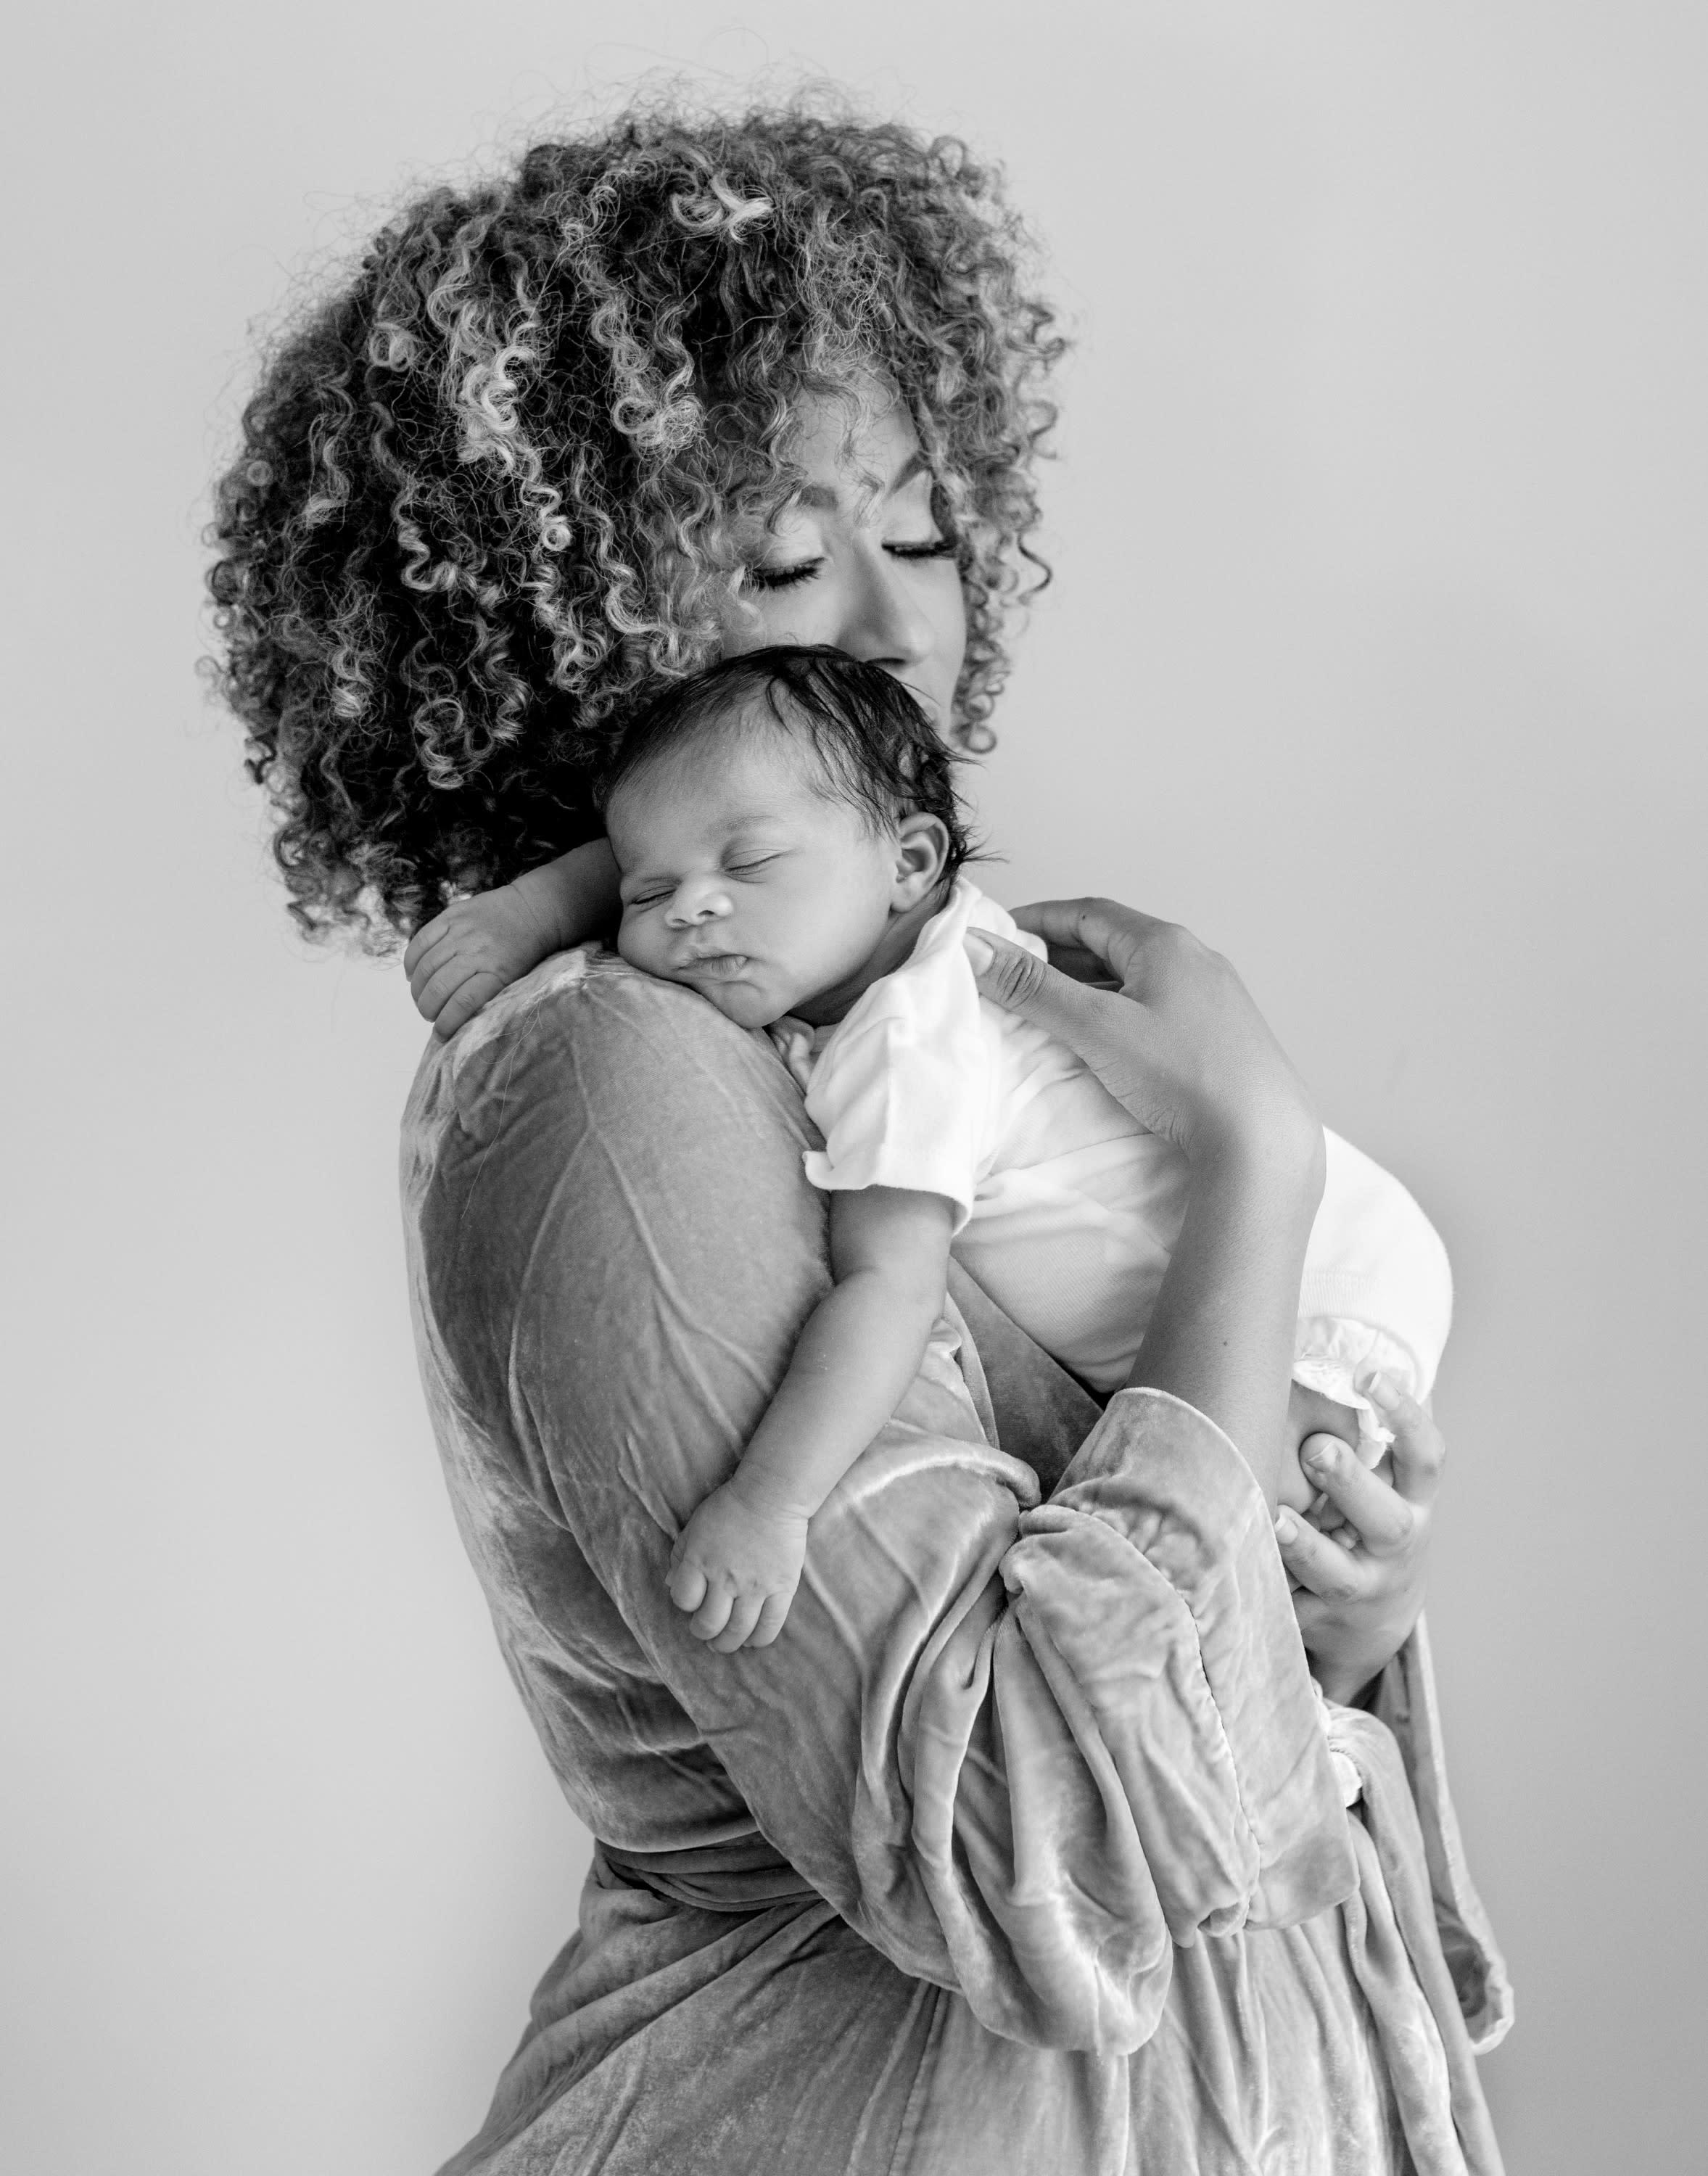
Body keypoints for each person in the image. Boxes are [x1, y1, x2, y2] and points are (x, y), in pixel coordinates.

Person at [209, 101, 1510, 2173]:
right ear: (569, 650)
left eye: (921, 539)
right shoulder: (613, 1076)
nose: (902, 632)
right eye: (791, 562)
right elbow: (1030, 1839)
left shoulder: (847, 1016)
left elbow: (1165, 1701)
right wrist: (1253, 1155)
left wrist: (1316, 1608)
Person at [587, 643, 1451, 1655]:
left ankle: (1313, 1735)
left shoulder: (903, 1036)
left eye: (747, 863)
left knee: (1201, 1595)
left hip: (1315, 1293)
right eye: (647, 894)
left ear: (909, 862)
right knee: (1251, 1595)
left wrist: (772, 1501)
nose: (691, 906)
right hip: (1347, 1240)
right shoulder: (920, 946)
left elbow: (888, 1290)